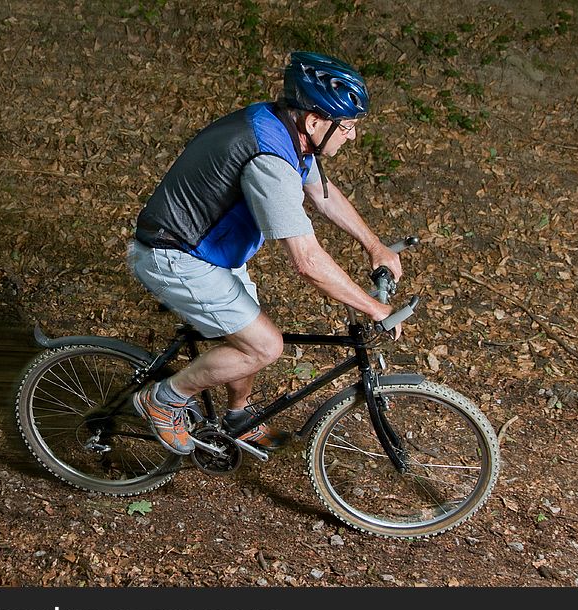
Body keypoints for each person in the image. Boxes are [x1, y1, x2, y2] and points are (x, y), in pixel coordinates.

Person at [129, 51, 403, 456]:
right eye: (347, 127)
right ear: (314, 121)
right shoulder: (269, 159)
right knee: (263, 345)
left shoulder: (282, 125)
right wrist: (374, 309)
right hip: (175, 254)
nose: (353, 136)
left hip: (210, 251)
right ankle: (163, 400)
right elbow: (307, 262)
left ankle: (238, 418)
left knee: (250, 335)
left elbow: (322, 196)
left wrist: (374, 245)